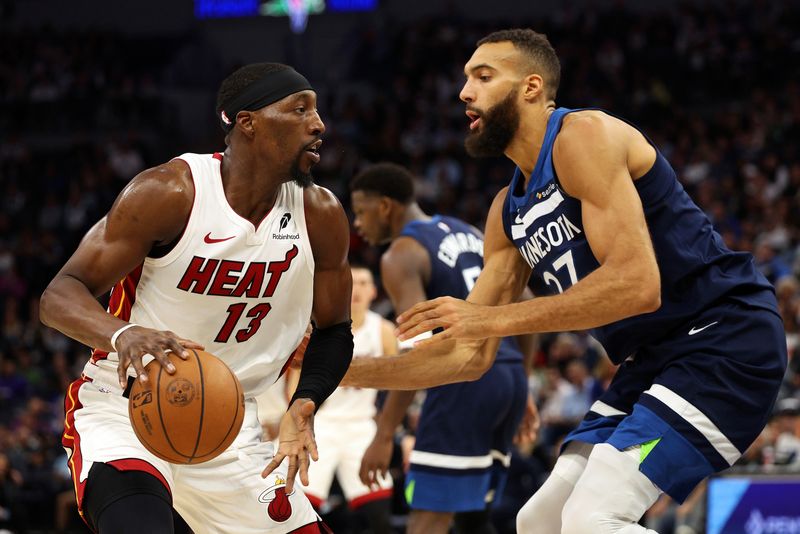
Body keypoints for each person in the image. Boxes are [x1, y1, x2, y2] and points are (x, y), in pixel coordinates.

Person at [342, 29, 787, 533]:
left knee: (592, 519)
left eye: (483, 77)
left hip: (723, 336)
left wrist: (485, 318)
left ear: (531, 88)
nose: (464, 92)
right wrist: (345, 373)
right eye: (465, 78)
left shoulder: (583, 136)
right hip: (654, 361)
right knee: (539, 523)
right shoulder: (505, 214)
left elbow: (637, 285)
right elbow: (467, 354)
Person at [40, 62, 354, 534]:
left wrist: (305, 403)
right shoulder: (170, 192)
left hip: (230, 423)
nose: (318, 124)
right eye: (299, 109)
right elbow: (59, 294)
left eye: (316, 110)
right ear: (248, 122)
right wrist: (123, 333)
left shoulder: (320, 214)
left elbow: (334, 331)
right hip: (130, 410)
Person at [350, 163, 535, 534]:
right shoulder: (467, 231)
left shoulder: (400, 254)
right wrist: (521, 380)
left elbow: (415, 353)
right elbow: (526, 299)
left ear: (385, 207)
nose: (357, 224)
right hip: (507, 376)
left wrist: (385, 434)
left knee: (428, 519)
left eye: (360, 212)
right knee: (474, 519)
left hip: (463, 382)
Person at [287, 265, 396, 533]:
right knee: (299, 507)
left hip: (363, 426)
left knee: (379, 516)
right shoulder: (319, 332)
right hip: (323, 424)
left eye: (363, 283)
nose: (356, 289)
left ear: (373, 291)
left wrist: (391, 431)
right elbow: (294, 387)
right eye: (352, 282)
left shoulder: (383, 330)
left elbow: (400, 385)